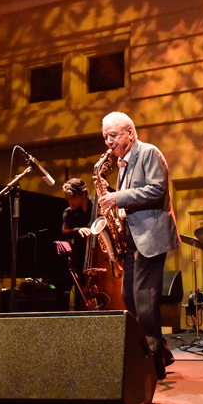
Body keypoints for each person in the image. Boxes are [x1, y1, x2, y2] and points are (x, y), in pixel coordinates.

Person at [97, 112, 180, 380]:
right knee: (129, 296)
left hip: (151, 236)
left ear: (130, 133)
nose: (108, 142)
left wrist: (117, 198)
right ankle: (159, 350)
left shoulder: (149, 153)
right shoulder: (122, 163)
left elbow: (157, 189)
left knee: (145, 299)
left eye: (113, 135)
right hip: (132, 238)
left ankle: (154, 365)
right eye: (105, 137)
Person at [60, 178, 95, 310]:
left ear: (83, 194)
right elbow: (64, 233)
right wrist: (77, 230)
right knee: (80, 294)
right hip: (80, 256)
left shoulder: (96, 207)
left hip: (99, 255)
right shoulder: (70, 212)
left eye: (73, 198)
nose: (70, 202)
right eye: (68, 199)